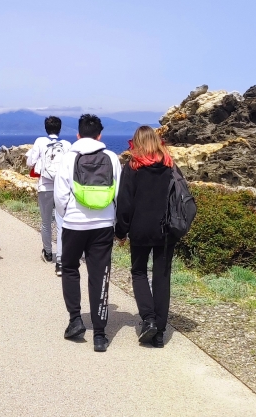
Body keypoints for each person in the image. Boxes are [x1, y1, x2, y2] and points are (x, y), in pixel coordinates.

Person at [54, 114, 122, 353]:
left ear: (78, 134)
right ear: (100, 135)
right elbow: (118, 193)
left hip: (74, 223)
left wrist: (66, 215)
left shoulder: (69, 157)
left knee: (70, 268)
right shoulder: (112, 157)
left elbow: (60, 196)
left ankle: (75, 321)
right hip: (103, 225)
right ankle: (100, 335)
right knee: (99, 274)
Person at [115, 126, 175, 349]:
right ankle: (160, 332)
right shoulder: (170, 165)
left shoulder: (132, 167)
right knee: (162, 276)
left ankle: (148, 319)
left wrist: (121, 231)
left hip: (140, 229)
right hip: (167, 230)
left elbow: (125, 204)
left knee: (139, 272)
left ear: (137, 142)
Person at [26, 116, 70, 276]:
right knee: (61, 223)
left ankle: (48, 252)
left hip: (45, 187)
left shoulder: (39, 142)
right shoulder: (66, 145)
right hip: (62, 188)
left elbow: (30, 162)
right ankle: (60, 262)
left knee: (46, 222)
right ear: (59, 128)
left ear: (46, 128)